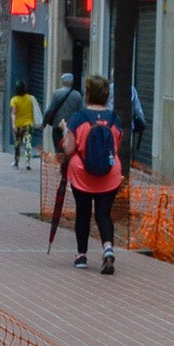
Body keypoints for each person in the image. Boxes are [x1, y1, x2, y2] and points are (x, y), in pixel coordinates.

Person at [62, 75, 123, 275]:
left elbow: (69, 149)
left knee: (83, 212)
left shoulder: (78, 118)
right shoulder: (114, 119)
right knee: (104, 214)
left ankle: (81, 255)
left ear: (87, 94)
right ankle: (107, 247)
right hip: (110, 174)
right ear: (106, 96)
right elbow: (117, 146)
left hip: (82, 175)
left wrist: (65, 132)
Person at [42, 72, 82, 155]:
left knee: (58, 147)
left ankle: (60, 164)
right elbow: (80, 112)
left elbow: (50, 109)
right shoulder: (78, 95)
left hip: (58, 124)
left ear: (62, 81)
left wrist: (44, 123)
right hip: (72, 126)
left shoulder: (57, 94)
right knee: (71, 148)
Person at [8, 79, 37, 169]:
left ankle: (16, 162)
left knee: (17, 144)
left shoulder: (14, 100)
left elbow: (13, 113)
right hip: (29, 124)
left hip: (18, 125)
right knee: (28, 143)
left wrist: (13, 124)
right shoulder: (30, 98)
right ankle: (28, 162)